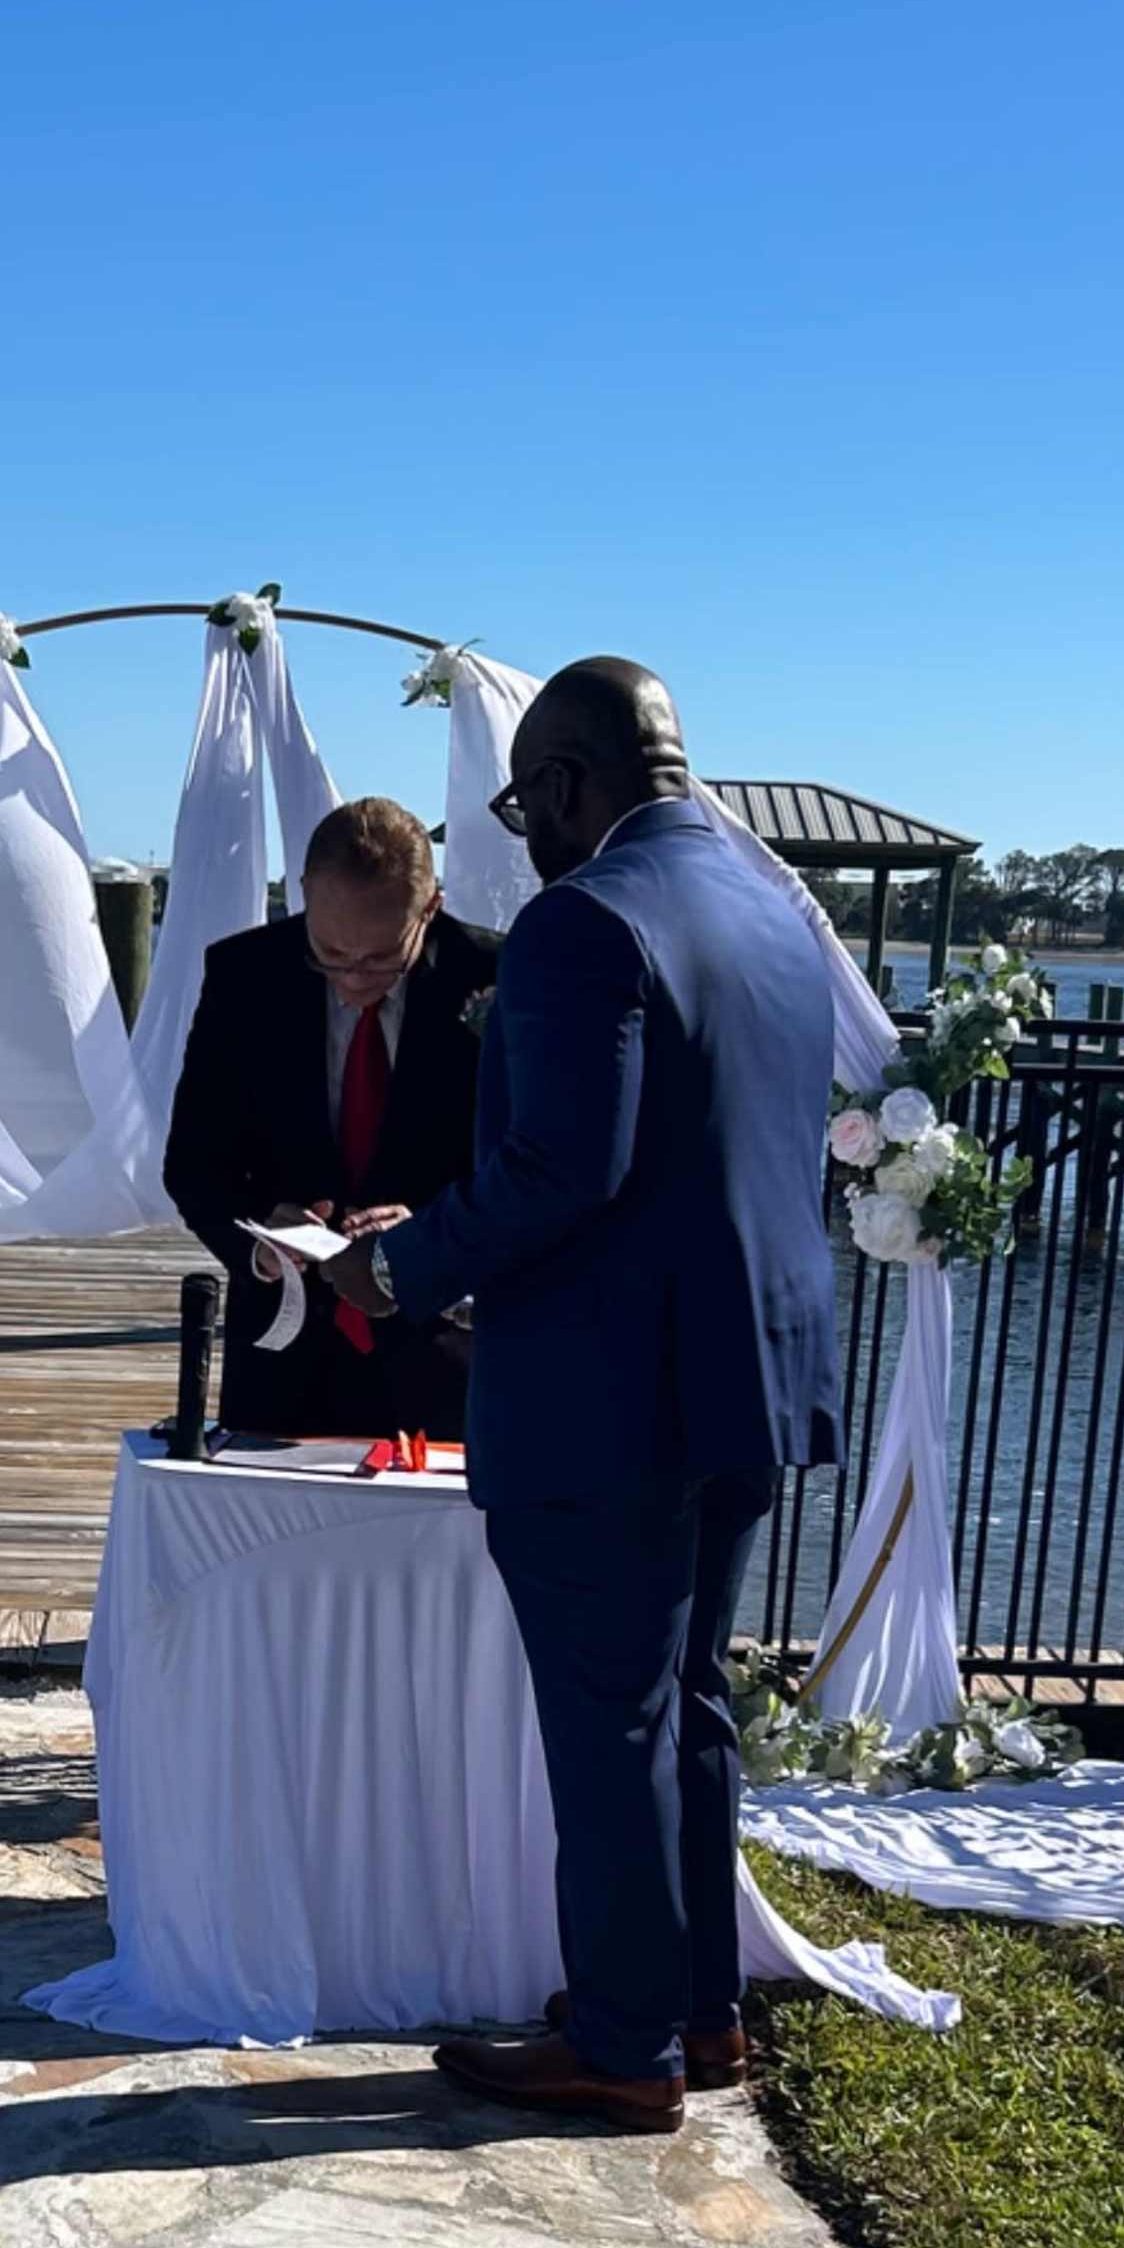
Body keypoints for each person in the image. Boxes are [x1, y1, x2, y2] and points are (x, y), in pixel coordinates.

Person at [338, 658, 839, 2127]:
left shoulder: (584, 921)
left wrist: (403, 1268)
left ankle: (626, 2049)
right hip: (746, 1371)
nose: (526, 838)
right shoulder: (774, 912)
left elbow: (569, 1166)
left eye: (524, 804)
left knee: (612, 1719)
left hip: (610, 1391)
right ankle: (697, 2007)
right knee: (688, 1701)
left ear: (567, 784)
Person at [162, 794, 498, 1442]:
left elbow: (529, 1170)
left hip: (447, 1358)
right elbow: (195, 1163)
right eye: (328, 952)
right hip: (284, 1360)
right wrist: (261, 1244)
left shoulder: (499, 979)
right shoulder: (244, 976)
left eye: (379, 959)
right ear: (302, 902)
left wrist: (433, 1236)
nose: (351, 978)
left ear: (431, 908)